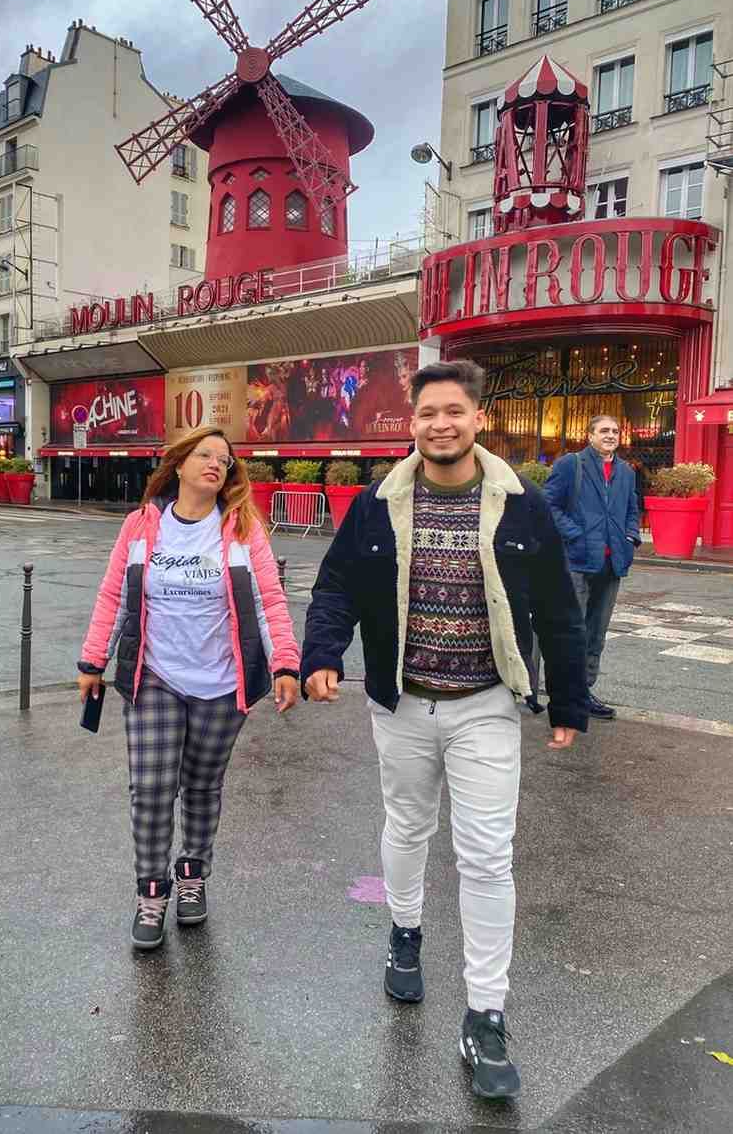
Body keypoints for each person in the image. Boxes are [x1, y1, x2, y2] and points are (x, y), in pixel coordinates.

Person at [301, 360, 588, 1101]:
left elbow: (559, 604)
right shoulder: (377, 503)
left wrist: (569, 703)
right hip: (402, 704)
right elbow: (334, 585)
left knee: (489, 856)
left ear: (477, 418)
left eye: (455, 411)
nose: (441, 424)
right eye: (428, 412)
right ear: (414, 422)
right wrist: (323, 655)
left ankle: (486, 1015)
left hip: (486, 705)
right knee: (406, 826)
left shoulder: (520, 504)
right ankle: (405, 934)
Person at [77, 427, 300, 952]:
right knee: (151, 789)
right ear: (178, 465)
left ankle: (192, 874)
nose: (215, 464)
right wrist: (93, 659)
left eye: (224, 460)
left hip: (223, 683)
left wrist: (286, 663)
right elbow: (114, 595)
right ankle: (151, 892)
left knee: (201, 788)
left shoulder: (243, 529)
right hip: (153, 675)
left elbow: (269, 601)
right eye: (205, 455)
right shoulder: (140, 526)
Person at [543, 416, 641, 721]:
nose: (611, 435)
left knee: (596, 633)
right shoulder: (571, 465)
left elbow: (632, 509)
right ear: (590, 436)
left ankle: (583, 691)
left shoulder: (625, 471)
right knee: (572, 631)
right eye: (604, 431)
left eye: (614, 431)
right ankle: (564, 696)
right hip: (577, 561)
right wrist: (576, 535)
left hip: (612, 563)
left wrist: (631, 536)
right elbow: (549, 505)